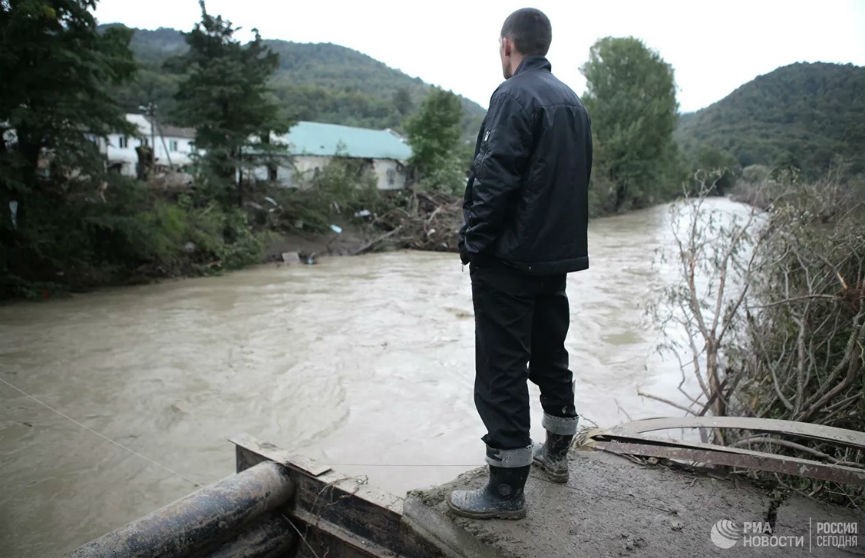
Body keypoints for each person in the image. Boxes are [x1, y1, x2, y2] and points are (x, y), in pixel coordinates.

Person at [448, 7, 592, 520]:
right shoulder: (573, 103)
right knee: (550, 353)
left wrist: (473, 244)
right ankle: (556, 456)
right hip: (555, 260)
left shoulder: (512, 95)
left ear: (507, 45)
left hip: (508, 261)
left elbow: (494, 179)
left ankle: (505, 490)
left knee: (501, 370)